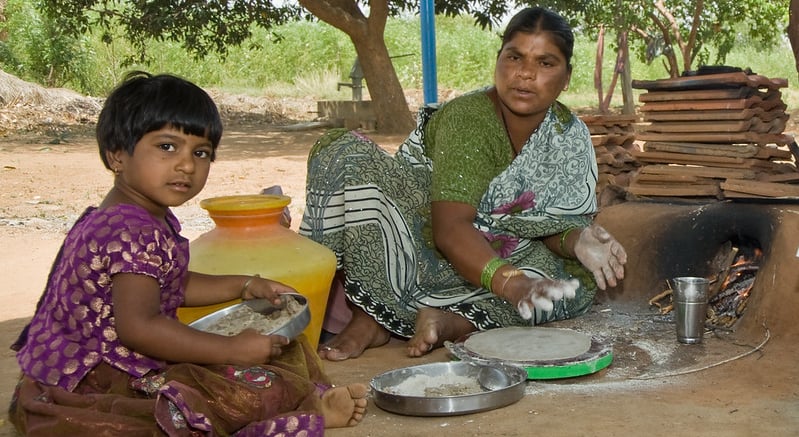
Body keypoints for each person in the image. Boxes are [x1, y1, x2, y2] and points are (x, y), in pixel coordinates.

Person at [8, 71, 367, 436]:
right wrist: (230, 350)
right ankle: (306, 412)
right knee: (244, 388)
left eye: (201, 153)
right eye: (167, 147)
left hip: (86, 371)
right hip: (98, 384)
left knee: (281, 348)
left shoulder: (131, 216)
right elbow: (140, 328)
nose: (186, 165)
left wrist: (244, 285)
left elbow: (170, 284)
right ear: (117, 155)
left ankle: (303, 402)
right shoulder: (130, 230)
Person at [300, 7, 628, 362]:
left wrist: (576, 239)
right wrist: (511, 284)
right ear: (498, 60)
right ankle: (370, 316)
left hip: (499, 251)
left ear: (566, 77)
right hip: (419, 238)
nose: (525, 73)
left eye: (546, 63)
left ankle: (449, 323)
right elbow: (449, 228)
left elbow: (539, 227)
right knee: (342, 151)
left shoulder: (568, 135)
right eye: (514, 56)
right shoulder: (469, 118)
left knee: (565, 290)